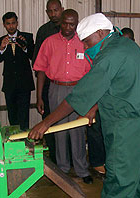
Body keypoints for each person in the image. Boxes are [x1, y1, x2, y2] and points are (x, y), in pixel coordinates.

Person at [29, 13, 140, 197]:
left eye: (87, 43)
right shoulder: (127, 45)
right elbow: (117, 85)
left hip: (126, 126)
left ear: (99, 33)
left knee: (120, 181)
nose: (85, 47)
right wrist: (94, 107)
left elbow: (78, 96)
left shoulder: (109, 55)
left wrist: (45, 123)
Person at [33, 9, 92, 184]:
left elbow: (91, 73)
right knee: (58, 130)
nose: (67, 27)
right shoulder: (49, 42)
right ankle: (63, 169)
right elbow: (41, 70)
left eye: (72, 24)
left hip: (78, 90)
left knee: (78, 130)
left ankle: (82, 169)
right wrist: (39, 97)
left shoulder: (84, 44)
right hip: (56, 89)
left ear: (77, 24)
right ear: (61, 23)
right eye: (65, 23)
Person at [32, 0, 64, 164]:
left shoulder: (75, 29)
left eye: (56, 10)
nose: (53, 14)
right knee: (50, 122)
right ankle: (55, 161)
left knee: (72, 125)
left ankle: (72, 161)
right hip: (50, 84)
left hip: (72, 85)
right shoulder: (44, 32)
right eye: (50, 11)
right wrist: (39, 97)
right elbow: (39, 66)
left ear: (62, 9)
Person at [0, 12, 34, 130]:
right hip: (9, 84)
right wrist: (1, 48)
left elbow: (33, 56)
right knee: (12, 115)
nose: (11, 26)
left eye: (13, 23)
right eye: (8, 24)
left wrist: (25, 47)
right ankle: (15, 142)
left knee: (24, 115)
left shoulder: (27, 37)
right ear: (4, 25)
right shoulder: (1, 40)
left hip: (24, 83)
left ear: (17, 23)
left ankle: (25, 141)